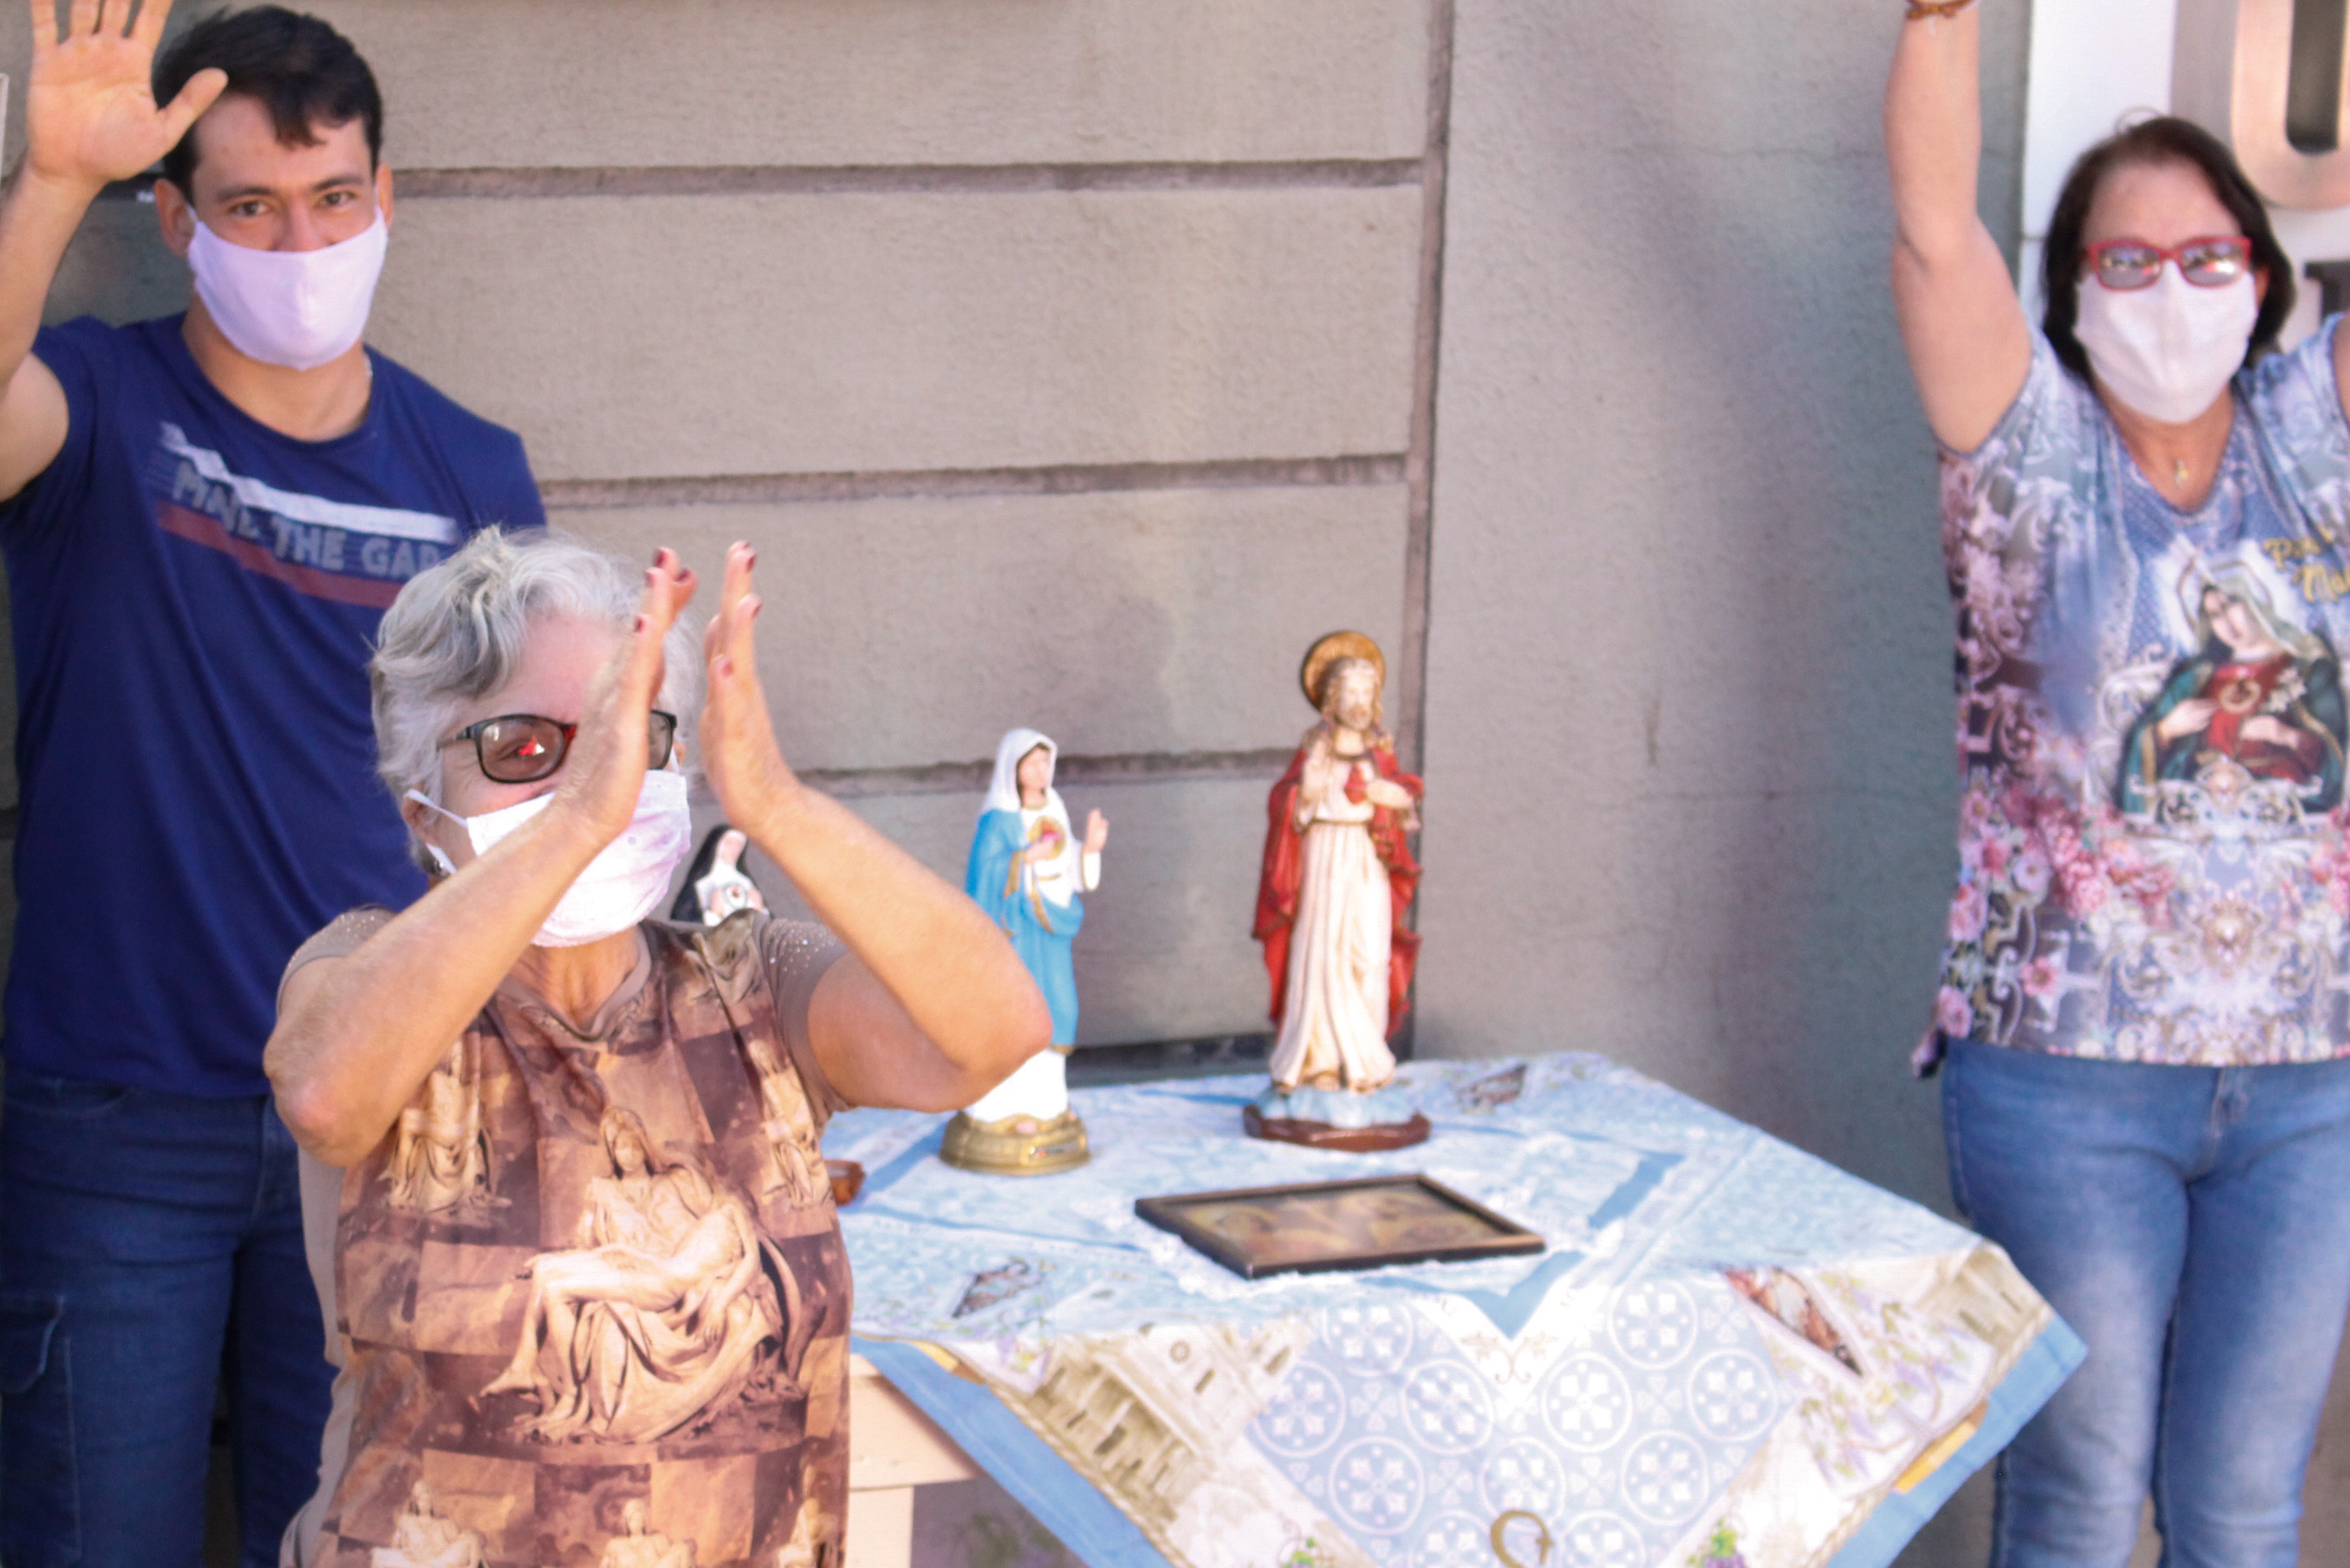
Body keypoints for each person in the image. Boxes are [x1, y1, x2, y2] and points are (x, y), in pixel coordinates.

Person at [0, 7, 543, 1566]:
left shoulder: (472, 472)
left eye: (332, 200)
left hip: (384, 1112)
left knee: (352, 1541)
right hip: (120, 1118)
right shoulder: (102, 407)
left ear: (385, 200)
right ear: (176, 224)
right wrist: (52, 181)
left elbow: (524, 803)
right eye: (249, 206)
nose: (300, 243)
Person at [265, 530, 1048, 1564]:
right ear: (425, 810)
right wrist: (575, 818)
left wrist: (774, 802)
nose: (598, 772)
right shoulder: (368, 970)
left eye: (626, 732)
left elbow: (996, 1029)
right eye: (522, 748)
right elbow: (324, 1095)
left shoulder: (749, 983)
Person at [1888, 4, 2350, 1560]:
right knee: (2079, 1496)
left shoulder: (2310, 437)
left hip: (2312, 1079)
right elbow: (1933, 233)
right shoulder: (2024, 451)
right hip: (2064, 1079)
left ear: (2261, 276)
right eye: (2127, 260)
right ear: (2073, 293)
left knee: (2242, 1509)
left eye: (2206, 256)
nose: (2170, 288)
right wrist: (1939, 15)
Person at [1254, 634, 1423, 1094]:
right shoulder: (1316, 747)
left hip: (1367, 859)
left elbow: (1405, 811)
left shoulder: (1379, 751)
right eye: (1351, 692)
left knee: (1369, 952)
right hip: (1326, 856)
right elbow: (1288, 804)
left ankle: (1366, 1057)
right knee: (1326, 953)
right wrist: (1306, 788)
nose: (1360, 702)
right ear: (1332, 698)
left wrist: (1397, 799)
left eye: (1368, 693)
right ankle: (1322, 1060)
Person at [959, 728, 1108, 1121]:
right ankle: (999, 1109)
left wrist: (1089, 850)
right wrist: (1025, 858)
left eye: (1046, 762)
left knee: (1057, 1008)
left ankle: (1047, 1106)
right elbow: (982, 877)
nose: (1042, 771)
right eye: (1032, 764)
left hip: (1051, 929)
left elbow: (1067, 867)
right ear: (1014, 768)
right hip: (1014, 933)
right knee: (1013, 1014)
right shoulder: (999, 820)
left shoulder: (1054, 806)